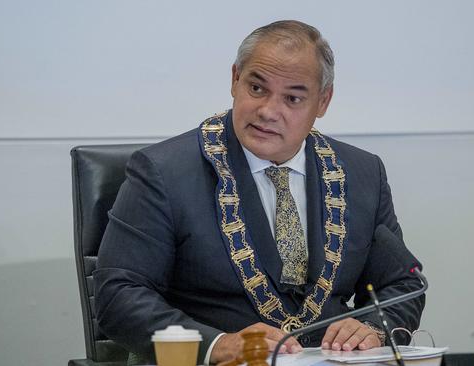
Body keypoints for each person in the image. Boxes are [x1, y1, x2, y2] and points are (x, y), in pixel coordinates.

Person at [95, 20, 425, 365]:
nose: (268, 111)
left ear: (323, 102)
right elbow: (118, 297)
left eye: (293, 98)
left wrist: (371, 326)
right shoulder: (163, 172)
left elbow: (404, 286)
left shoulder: (362, 173)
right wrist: (216, 345)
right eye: (256, 88)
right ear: (235, 79)